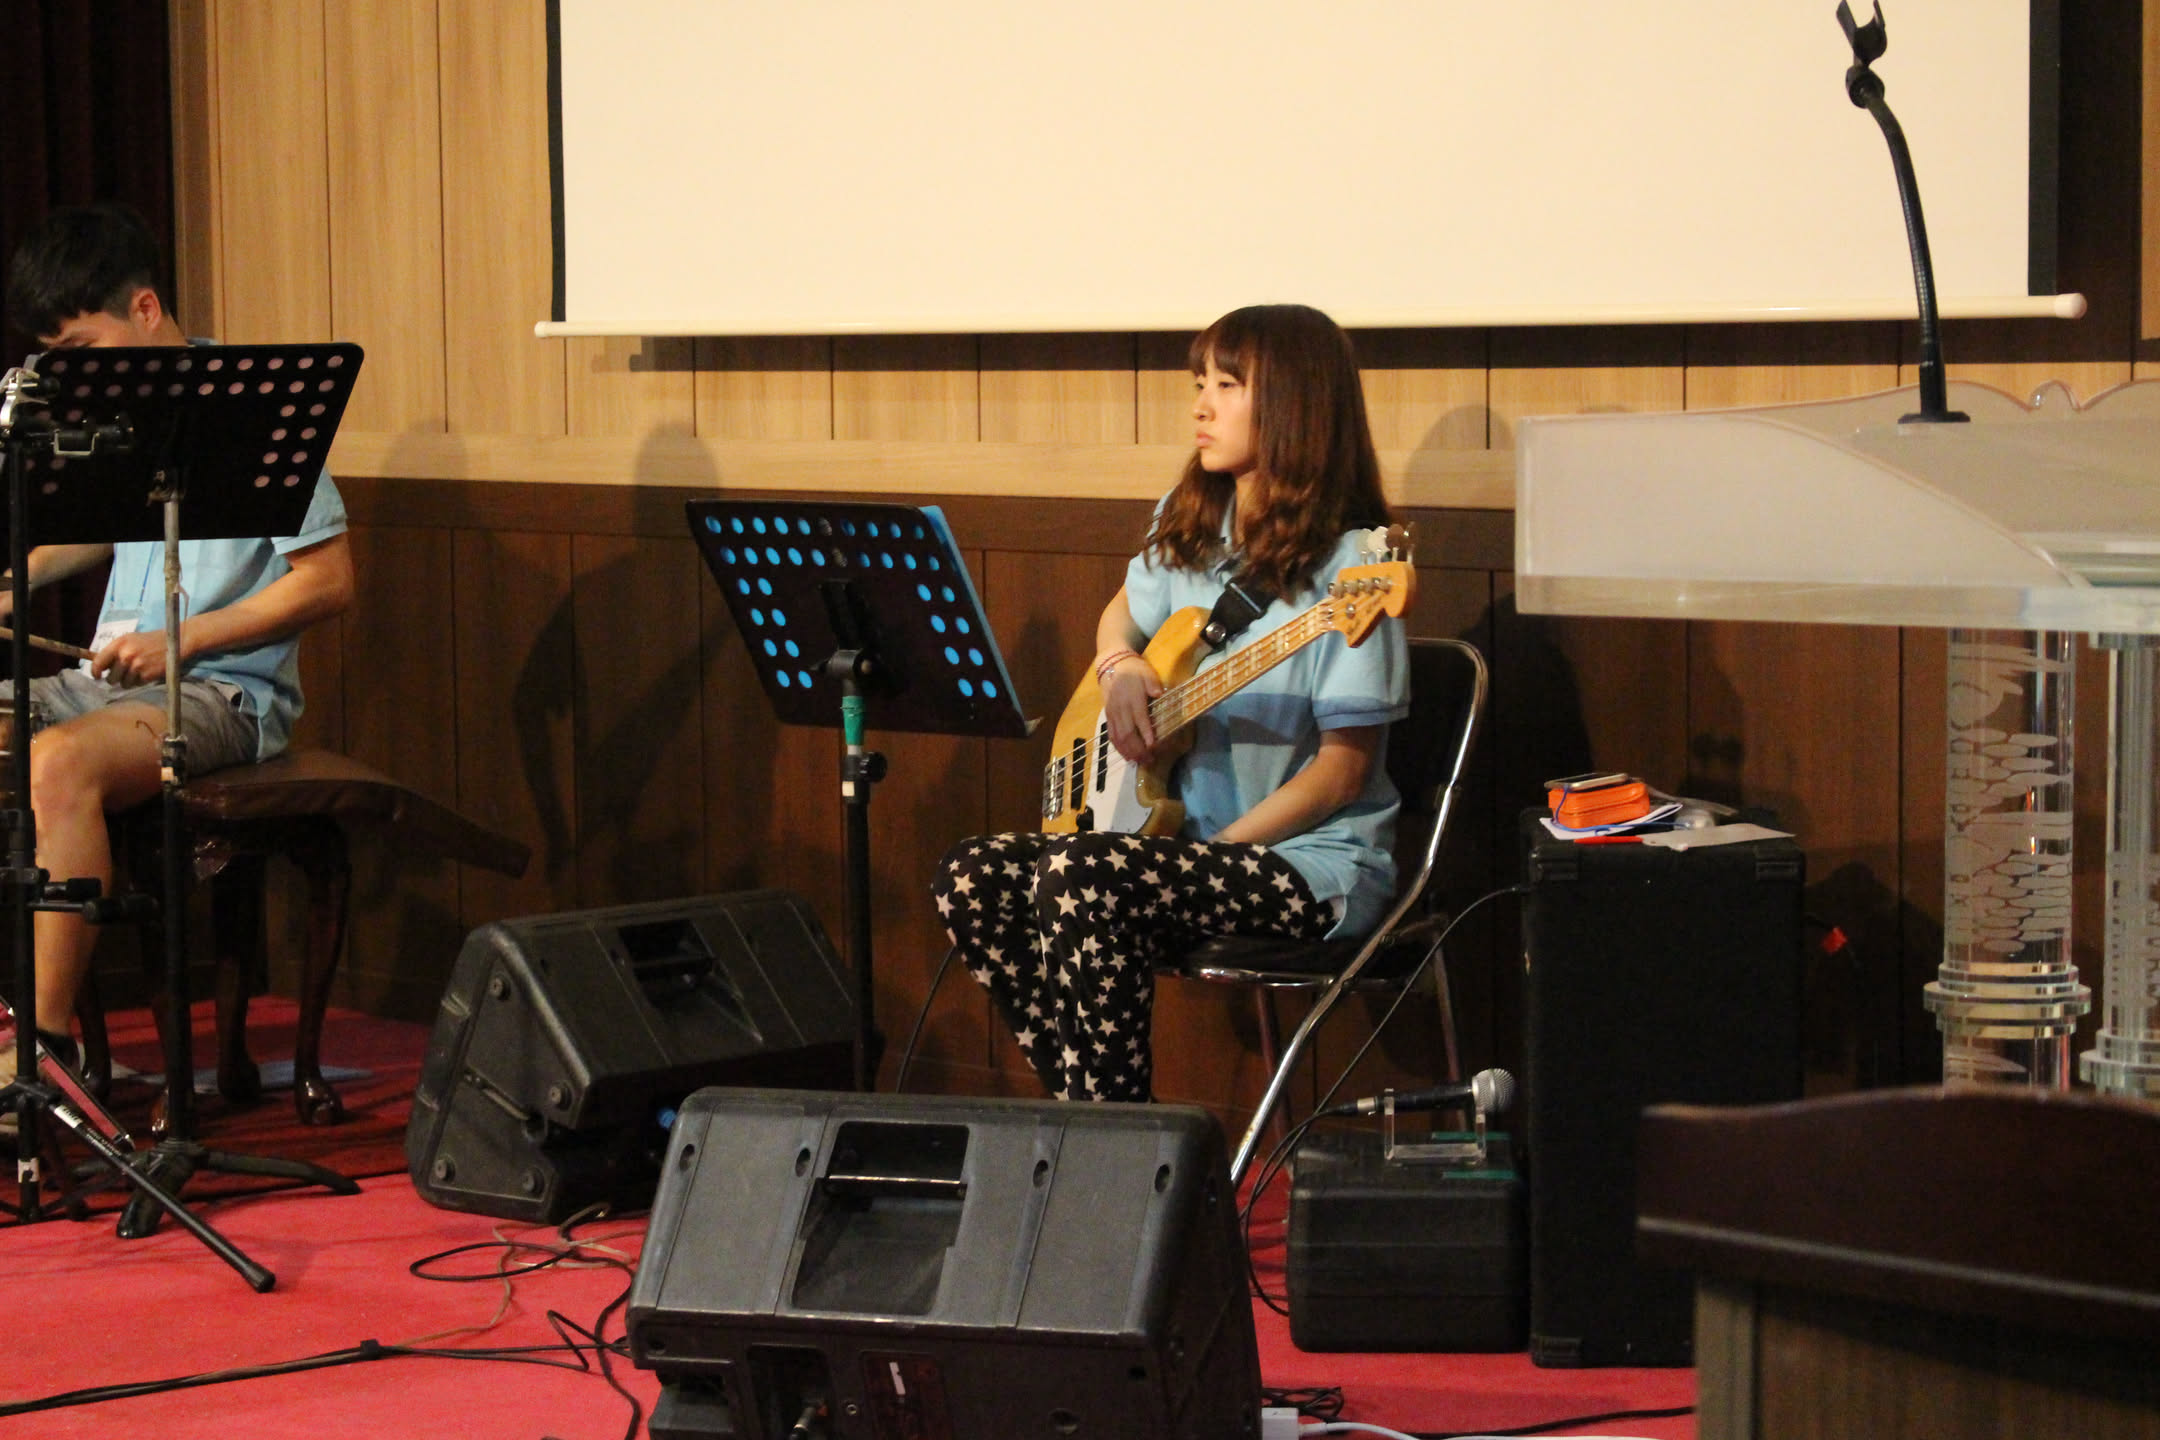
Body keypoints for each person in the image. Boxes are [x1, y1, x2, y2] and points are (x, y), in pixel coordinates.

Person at [932, 303, 1408, 1102]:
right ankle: (1096, 1115)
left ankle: (1111, 1135)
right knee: (971, 876)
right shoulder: (1190, 519)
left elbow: (1342, 775)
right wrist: (1119, 667)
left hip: (1308, 866)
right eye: (1199, 384)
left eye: (1228, 385)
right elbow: (1122, 614)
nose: (1201, 407)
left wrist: (1214, 855)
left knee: (1083, 875)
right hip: (1170, 849)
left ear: (1295, 404)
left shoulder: (1358, 569)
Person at [0, 203, 355, 1081]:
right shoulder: (118, 412)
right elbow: (105, 526)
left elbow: (328, 581)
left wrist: (181, 642)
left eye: (81, 348)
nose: (71, 374)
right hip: (112, 686)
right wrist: (15, 582)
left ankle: (45, 1051)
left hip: (222, 692)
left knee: (56, 763)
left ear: (147, 308)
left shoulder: (258, 411)